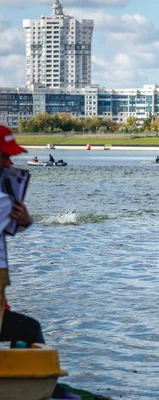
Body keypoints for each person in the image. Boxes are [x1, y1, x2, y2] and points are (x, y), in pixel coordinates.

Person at [0, 125, 43, 348]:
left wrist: (24, 221)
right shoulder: (3, 200)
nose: (9, 163)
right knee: (29, 329)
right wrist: (25, 220)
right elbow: (9, 226)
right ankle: (34, 383)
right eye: (5, 156)